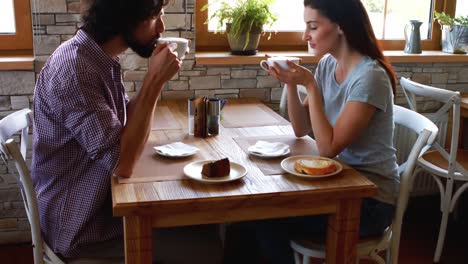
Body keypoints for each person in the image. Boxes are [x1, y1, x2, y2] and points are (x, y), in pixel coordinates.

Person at [32, 0, 222, 262]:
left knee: (206, 225)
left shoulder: (97, 58)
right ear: (127, 15)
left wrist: (155, 79)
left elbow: (121, 130)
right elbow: (122, 163)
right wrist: (154, 81)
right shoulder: (76, 70)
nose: (162, 27)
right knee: (207, 248)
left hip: (100, 207)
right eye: (156, 17)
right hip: (81, 229)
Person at [223, 0, 398, 263]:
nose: (306, 35)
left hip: (369, 200)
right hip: (336, 183)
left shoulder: (370, 77)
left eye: (313, 27)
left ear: (340, 27)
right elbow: (301, 128)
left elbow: (328, 147)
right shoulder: (329, 64)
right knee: (244, 218)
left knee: (265, 222)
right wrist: (290, 84)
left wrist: (311, 85)